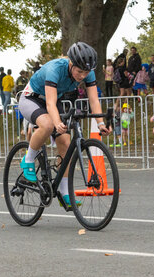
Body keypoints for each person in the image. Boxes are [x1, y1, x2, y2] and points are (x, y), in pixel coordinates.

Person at [18, 41, 110, 207]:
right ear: (71, 63)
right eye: (79, 71)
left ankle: (63, 191)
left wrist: (100, 123)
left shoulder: (88, 73)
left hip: (54, 100)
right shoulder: (55, 68)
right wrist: (57, 122)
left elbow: (94, 99)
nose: (82, 76)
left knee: (66, 143)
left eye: (86, 72)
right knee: (47, 125)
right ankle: (28, 159)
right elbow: (50, 104)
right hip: (32, 98)